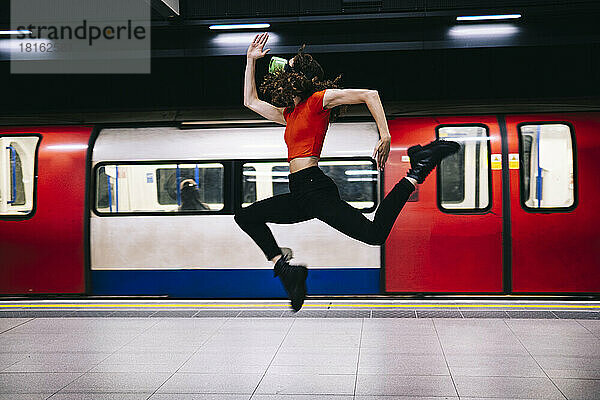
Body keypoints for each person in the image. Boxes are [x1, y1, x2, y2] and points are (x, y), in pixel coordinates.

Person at [235, 32, 459, 312]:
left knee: (375, 234)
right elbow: (250, 101)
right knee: (245, 216)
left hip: (315, 189)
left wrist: (385, 136)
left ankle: (418, 169)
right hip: (300, 193)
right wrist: (250, 61)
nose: (284, 71)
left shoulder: (318, 100)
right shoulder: (289, 114)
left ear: (301, 77)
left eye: (291, 67)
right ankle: (287, 271)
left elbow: (369, 94)